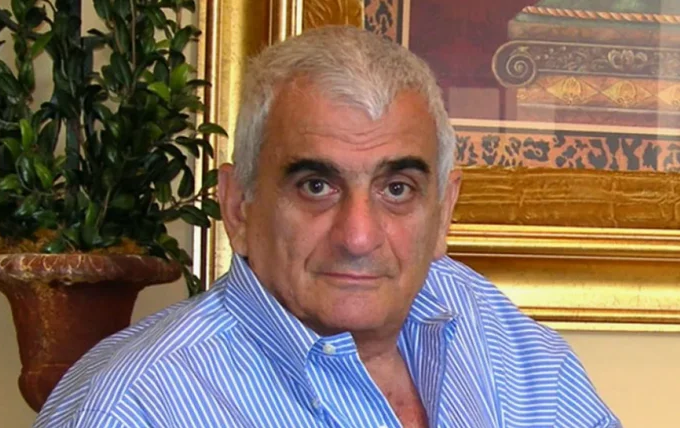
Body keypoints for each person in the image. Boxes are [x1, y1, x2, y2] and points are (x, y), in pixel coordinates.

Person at [35, 26, 620, 427]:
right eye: (317, 186)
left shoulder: (497, 338)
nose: (359, 236)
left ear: (444, 212)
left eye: (397, 189)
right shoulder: (132, 407)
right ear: (238, 207)